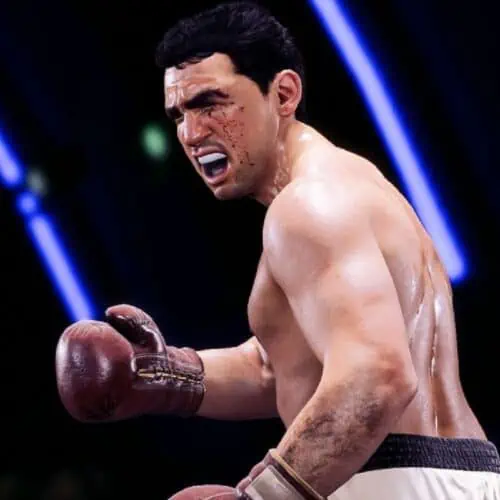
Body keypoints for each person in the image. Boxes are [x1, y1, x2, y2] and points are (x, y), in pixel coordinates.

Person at [55, 2, 500, 499]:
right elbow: (282, 368)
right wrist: (172, 375)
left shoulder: (307, 205)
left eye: (210, 103)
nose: (191, 133)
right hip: (455, 477)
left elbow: (377, 375)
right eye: (179, 114)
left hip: (388, 479)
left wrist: (263, 496)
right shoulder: (351, 184)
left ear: (284, 94)